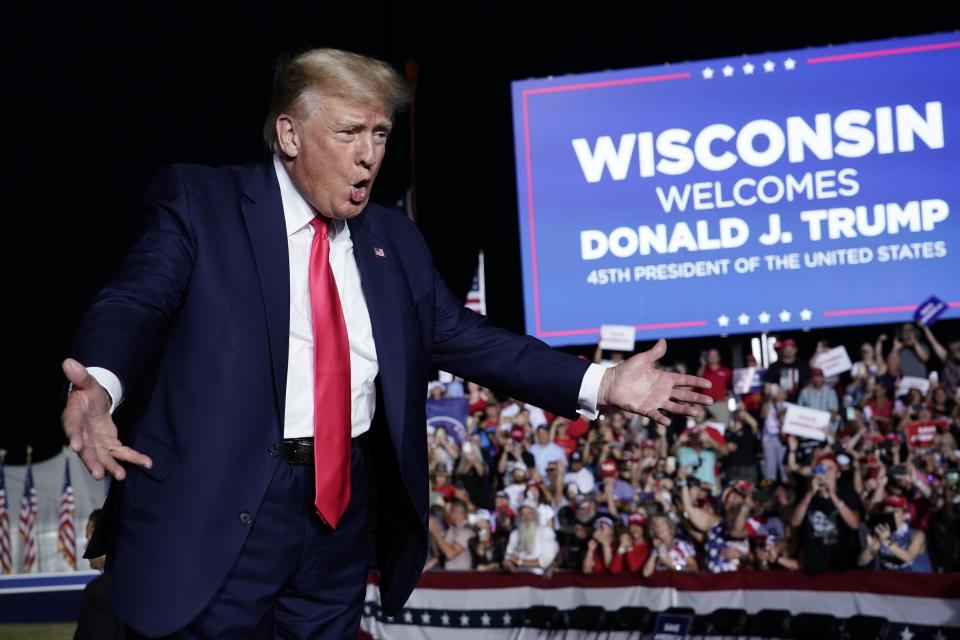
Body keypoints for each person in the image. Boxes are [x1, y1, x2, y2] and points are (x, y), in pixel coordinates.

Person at [59, 48, 713, 638]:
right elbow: (135, 298)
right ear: (289, 133)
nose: (369, 153)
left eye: (380, 133)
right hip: (222, 508)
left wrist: (601, 383)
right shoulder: (202, 203)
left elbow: (465, 338)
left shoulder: (393, 242)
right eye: (348, 132)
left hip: (339, 521)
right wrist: (100, 381)